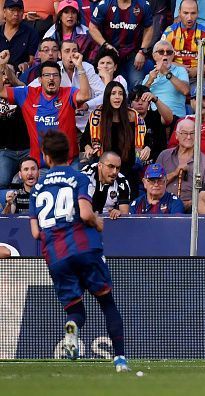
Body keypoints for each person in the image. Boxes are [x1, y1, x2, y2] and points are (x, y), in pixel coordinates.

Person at [29, 130, 129, 372]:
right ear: (69, 153)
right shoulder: (79, 178)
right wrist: (96, 221)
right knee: (107, 303)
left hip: (55, 255)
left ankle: (72, 328)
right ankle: (120, 361)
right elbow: (85, 213)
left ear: (46, 157)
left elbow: (34, 232)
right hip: (84, 247)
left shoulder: (37, 187)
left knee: (75, 310)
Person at [0, 55, 90, 171]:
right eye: (47, 75)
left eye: (55, 75)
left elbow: (85, 95)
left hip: (69, 163)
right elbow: (1, 91)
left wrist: (79, 66)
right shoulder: (27, 94)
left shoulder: (69, 93)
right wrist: (1, 65)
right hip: (40, 165)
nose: (51, 78)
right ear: (40, 79)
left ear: (60, 79)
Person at [81, 81, 148, 197]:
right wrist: (88, 148)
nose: (117, 97)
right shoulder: (97, 115)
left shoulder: (133, 116)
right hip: (103, 169)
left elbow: (147, 139)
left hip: (127, 168)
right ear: (108, 96)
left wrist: (147, 147)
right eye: (113, 93)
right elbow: (85, 139)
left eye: (120, 94)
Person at [29, 40, 104, 133]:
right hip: (62, 125)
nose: (71, 55)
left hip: (87, 125)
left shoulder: (86, 67)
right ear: (60, 55)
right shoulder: (54, 70)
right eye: (67, 51)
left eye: (74, 51)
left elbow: (104, 94)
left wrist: (87, 105)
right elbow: (32, 87)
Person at [89, 0, 153, 88]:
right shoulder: (105, 5)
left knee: (137, 83)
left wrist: (142, 51)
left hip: (133, 53)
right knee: (104, 83)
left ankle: (136, 101)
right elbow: (92, 27)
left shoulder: (143, 5)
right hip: (110, 52)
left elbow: (149, 28)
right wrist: (105, 44)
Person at [156, 118, 205, 211]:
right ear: (176, 135)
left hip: (193, 208)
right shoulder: (164, 156)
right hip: (164, 205)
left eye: (192, 133)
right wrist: (175, 173)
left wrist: (191, 203)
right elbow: (154, 184)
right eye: (184, 133)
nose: (188, 137)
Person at [161, 0, 205, 85]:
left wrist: (196, 71)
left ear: (198, 13)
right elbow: (161, 59)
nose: (189, 18)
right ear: (179, 12)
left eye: (193, 13)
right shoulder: (169, 32)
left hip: (197, 77)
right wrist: (180, 68)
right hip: (173, 74)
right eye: (185, 13)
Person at [143, 40, 190, 118]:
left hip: (177, 117)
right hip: (156, 118)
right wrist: (149, 81)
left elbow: (185, 90)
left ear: (173, 55)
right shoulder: (149, 76)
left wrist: (166, 72)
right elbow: (140, 98)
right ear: (154, 56)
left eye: (169, 52)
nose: (165, 55)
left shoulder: (180, 70)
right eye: (161, 52)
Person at [129, 83, 173, 162]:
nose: (140, 103)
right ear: (131, 103)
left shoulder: (156, 116)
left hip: (157, 163)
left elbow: (169, 119)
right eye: (136, 100)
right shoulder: (125, 120)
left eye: (144, 100)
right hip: (132, 164)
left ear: (149, 103)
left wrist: (155, 99)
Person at [0, 65, 28, 189]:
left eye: (8, 73)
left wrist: (4, 66)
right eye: (2, 73)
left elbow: (21, 85)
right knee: (2, 182)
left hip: (28, 149)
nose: (5, 77)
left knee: (34, 181)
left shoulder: (23, 93)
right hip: (5, 151)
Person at [80, 151, 131, 219]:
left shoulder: (122, 182)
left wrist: (119, 213)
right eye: (111, 166)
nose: (114, 172)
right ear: (100, 165)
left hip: (110, 222)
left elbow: (124, 214)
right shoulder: (85, 176)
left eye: (118, 168)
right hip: (86, 220)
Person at [0, 0, 39, 73]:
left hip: (21, 76)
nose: (16, 14)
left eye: (19, 10)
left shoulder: (31, 32)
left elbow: (32, 60)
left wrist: (26, 64)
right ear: (4, 12)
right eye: (12, 10)